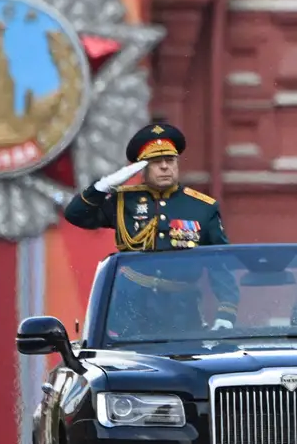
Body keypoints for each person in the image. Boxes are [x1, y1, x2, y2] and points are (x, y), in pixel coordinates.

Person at [65, 121, 237, 330]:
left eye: (170, 160)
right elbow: (76, 215)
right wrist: (102, 187)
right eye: (156, 161)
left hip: (181, 312)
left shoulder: (201, 207)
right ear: (143, 169)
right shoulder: (123, 202)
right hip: (131, 311)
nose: (165, 166)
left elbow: (219, 264)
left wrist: (226, 313)